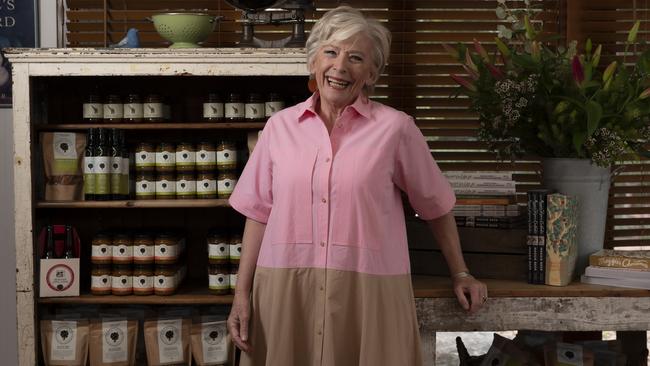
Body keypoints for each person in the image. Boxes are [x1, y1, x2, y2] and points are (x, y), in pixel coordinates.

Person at [227, 5, 488, 365]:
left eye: (356, 58)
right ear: (313, 61)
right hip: (285, 292)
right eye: (331, 52)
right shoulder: (278, 128)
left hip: (369, 294)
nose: (340, 67)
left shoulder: (396, 129)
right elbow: (257, 214)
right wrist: (241, 293)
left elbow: (436, 205)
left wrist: (461, 272)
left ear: (371, 73)